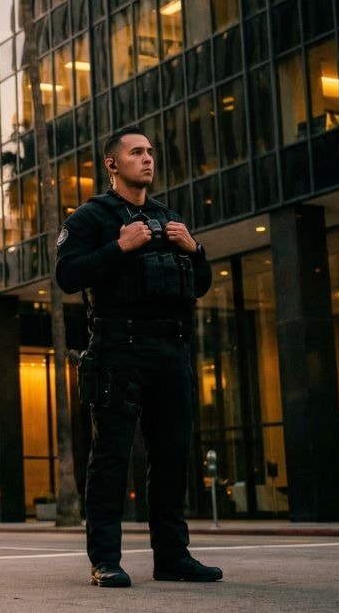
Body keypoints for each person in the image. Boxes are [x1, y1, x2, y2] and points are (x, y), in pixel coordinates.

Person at [55, 126, 222, 588]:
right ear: (112, 164)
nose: (147, 158)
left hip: (172, 350)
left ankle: (173, 557)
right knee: (111, 459)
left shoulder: (170, 218)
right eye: (136, 152)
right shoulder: (89, 218)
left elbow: (200, 284)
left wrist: (196, 249)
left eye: (150, 151)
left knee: (171, 457)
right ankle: (105, 560)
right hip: (118, 350)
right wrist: (118, 246)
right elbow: (67, 276)